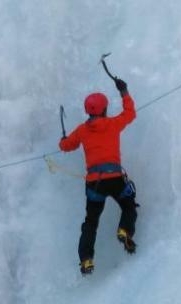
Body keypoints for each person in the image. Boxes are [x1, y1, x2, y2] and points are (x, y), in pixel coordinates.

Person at [58, 75, 138, 275]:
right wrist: (124, 91)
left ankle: (86, 259)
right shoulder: (113, 124)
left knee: (91, 223)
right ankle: (124, 231)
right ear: (104, 108)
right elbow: (130, 113)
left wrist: (63, 139)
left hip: (95, 184)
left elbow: (66, 146)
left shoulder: (82, 131)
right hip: (115, 178)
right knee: (128, 206)